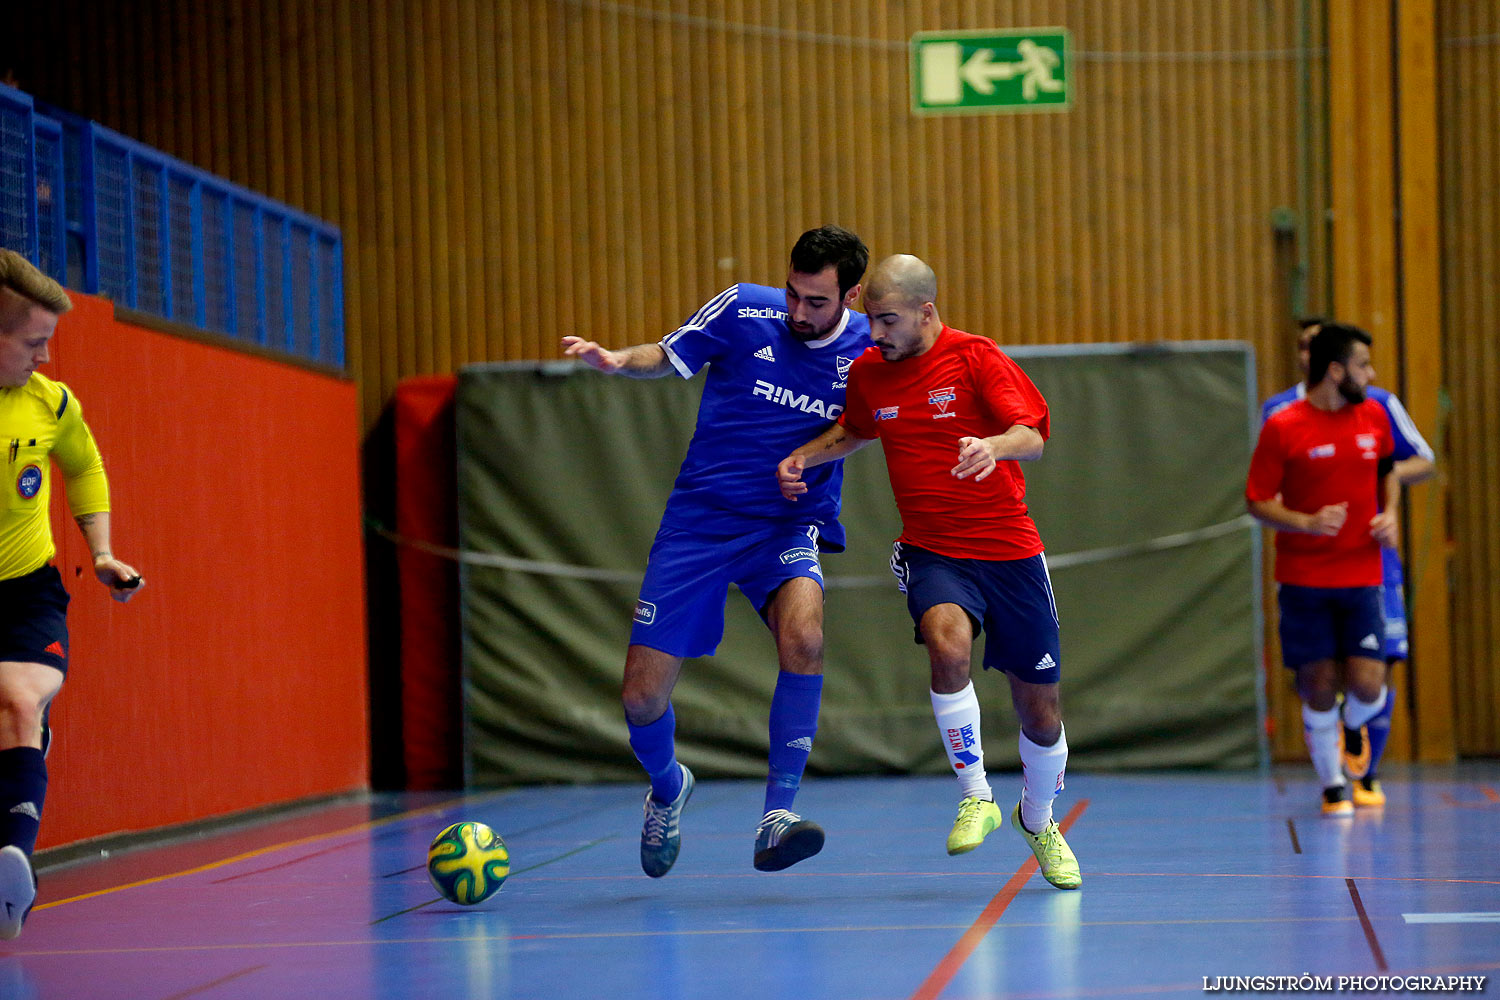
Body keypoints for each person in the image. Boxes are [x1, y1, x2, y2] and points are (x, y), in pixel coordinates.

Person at [561, 225, 871, 877]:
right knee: (641, 700)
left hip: (788, 525)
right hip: (700, 523)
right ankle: (670, 786)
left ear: (851, 295)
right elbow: (667, 354)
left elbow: (865, 423)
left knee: (806, 638)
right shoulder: (743, 309)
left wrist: (810, 459)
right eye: (793, 294)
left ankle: (776, 816)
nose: (798, 312)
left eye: (816, 302)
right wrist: (616, 360)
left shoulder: (869, 349)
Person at [777, 254, 1080, 890]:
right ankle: (977, 796)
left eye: (888, 321)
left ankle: (1039, 818)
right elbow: (855, 431)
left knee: (1041, 717)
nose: (876, 333)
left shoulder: (975, 357)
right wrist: (804, 456)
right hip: (933, 549)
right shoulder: (869, 372)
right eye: (870, 320)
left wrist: (994, 445)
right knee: (946, 645)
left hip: (1011, 554)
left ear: (926, 312)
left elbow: (1034, 434)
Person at [0, 249, 144, 939]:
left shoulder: (51, 403)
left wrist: (104, 552)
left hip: (28, 590)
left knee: (20, 701)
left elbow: (84, 466)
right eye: (33, 342)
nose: (47, 357)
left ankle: (11, 872)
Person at [1262, 317, 1435, 807]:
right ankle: (1334, 780)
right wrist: (1303, 519)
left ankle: (1365, 767)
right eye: (1301, 345)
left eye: (1314, 344)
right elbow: (1266, 488)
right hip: (1307, 570)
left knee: (1371, 672)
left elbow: (1410, 462)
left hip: (1369, 564)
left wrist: (1388, 511)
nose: (1305, 353)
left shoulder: (1376, 408)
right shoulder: (1280, 413)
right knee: (1319, 675)